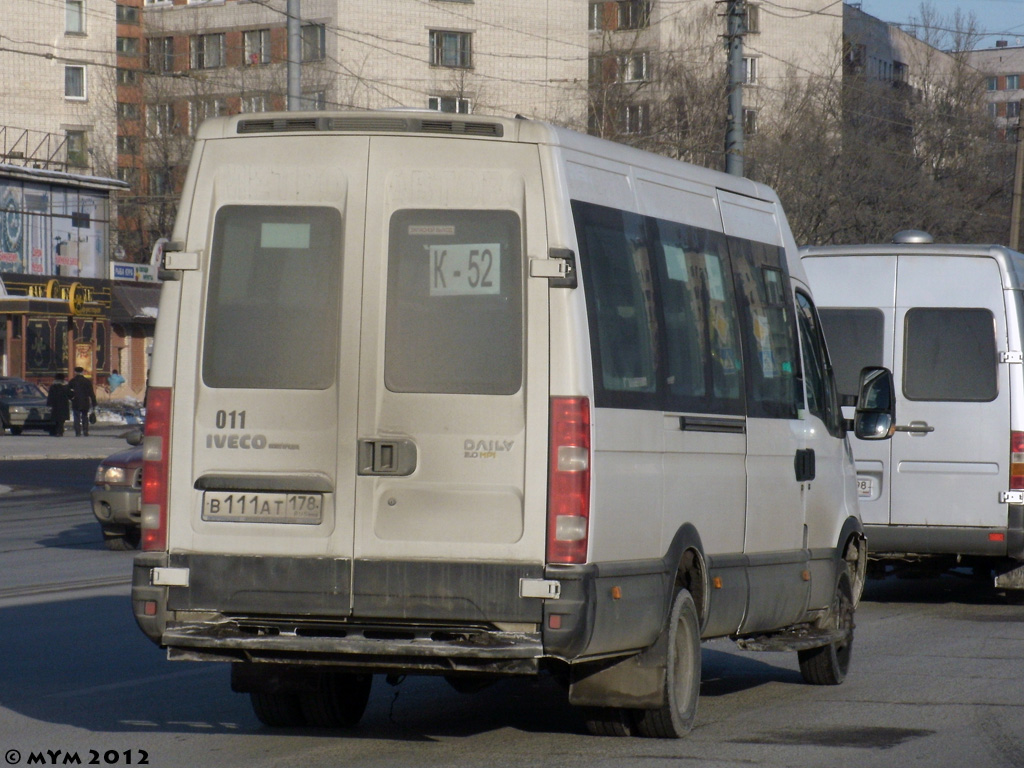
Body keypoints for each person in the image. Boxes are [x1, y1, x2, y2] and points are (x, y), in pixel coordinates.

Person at [68, 366, 97, 437]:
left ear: (75, 372)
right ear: (82, 372)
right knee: (85, 416)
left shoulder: (72, 381)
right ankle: (85, 431)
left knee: (76, 416)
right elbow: (91, 393)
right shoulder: (87, 381)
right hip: (85, 401)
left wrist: (71, 398)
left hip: (76, 401)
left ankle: (77, 432)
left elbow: (68, 392)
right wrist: (94, 402)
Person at [46, 373, 72, 437]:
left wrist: (49, 404)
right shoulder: (66, 386)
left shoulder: (53, 386)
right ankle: (60, 431)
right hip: (64, 404)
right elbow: (70, 395)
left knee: (56, 419)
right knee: (62, 420)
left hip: (55, 405)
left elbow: (50, 396)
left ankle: (57, 431)